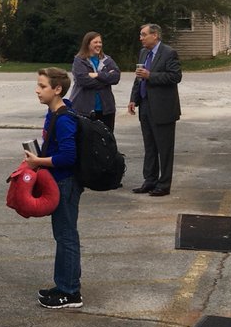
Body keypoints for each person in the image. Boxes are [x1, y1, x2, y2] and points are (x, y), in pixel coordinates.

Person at [23, 67, 83, 309]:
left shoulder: (64, 118)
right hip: (58, 181)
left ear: (57, 89)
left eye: (43, 86)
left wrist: (38, 162)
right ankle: (63, 284)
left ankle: (71, 293)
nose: (37, 90)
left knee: (67, 236)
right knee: (62, 235)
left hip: (66, 182)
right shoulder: (53, 113)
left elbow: (69, 157)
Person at [127, 23, 182, 197]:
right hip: (145, 105)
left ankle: (164, 184)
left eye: (143, 34)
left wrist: (151, 76)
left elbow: (175, 76)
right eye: (140, 34)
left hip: (163, 108)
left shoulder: (168, 53)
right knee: (149, 146)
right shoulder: (143, 53)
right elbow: (138, 78)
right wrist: (133, 99)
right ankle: (149, 180)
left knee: (164, 148)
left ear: (155, 35)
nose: (140, 38)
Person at [69, 31, 122, 133]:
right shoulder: (79, 60)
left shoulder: (107, 60)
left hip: (106, 109)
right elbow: (83, 81)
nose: (99, 45)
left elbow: (116, 77)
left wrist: (98, 75)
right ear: (88, 44)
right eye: (95, 42)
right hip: (84, 109)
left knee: (106, 140)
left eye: (100, 42)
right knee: (86, 141)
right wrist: (106, 80)